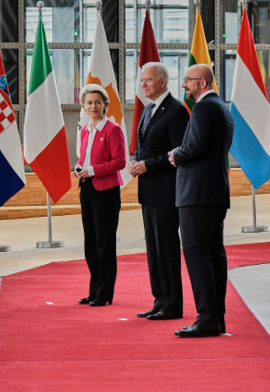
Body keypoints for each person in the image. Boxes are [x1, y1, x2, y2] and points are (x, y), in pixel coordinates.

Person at [168, 64, 233, 337]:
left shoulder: (205, 108)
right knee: (213, 253)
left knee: (197, 253)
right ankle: (216, 316)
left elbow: (195, 146)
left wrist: (175, 155)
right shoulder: (221, 107)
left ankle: (207, 317)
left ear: (203, 83)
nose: (184, 85)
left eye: (188, 80)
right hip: (214, 191)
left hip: (198, 192)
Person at [130, 62, 189, 320]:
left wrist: (147, 165)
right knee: (153, 249)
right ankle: (159, 299)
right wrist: (135, 160)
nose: (143, 84)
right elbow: (145, 145)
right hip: (149, 191)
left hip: (166, 191)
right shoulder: (148, 109)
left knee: (166, 248)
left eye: (148, 80)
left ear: (163, 82)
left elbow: (179, 153)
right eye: (142, 79)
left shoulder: (176, 110)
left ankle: (173, 304)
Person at [75, 84, 126, 307]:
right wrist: (78, 166)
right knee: (91, 243)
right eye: (89, 102)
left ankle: (104, 293)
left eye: (97, 102)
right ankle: (94, 290)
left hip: (105, 191)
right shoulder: (85, 130)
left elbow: (120, 161)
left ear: (105, 105)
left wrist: (92, 170)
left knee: (105, 243)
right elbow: (84, 158)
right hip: (86, 188)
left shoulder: (113, 129)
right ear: (83, 106)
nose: (93, 106)